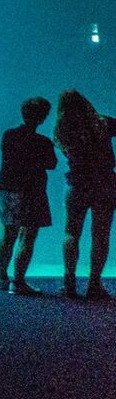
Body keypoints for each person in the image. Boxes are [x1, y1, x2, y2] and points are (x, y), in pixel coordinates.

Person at [52, 89, 116, 300]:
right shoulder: (102, 123)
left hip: (77, 184)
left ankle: (68, 283)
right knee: (101, 234)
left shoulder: (61, 129)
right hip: (105, 184)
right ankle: (94, 284)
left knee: (71, 232)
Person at [0, 96, 56, 297]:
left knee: (7, 235)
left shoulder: (8, 135)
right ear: (43, 118)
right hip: (32, 191)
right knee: (27, 237)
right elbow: (51, 164)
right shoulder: (42, 142)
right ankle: (18, 281)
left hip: (7, 189)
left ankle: (1, 277)